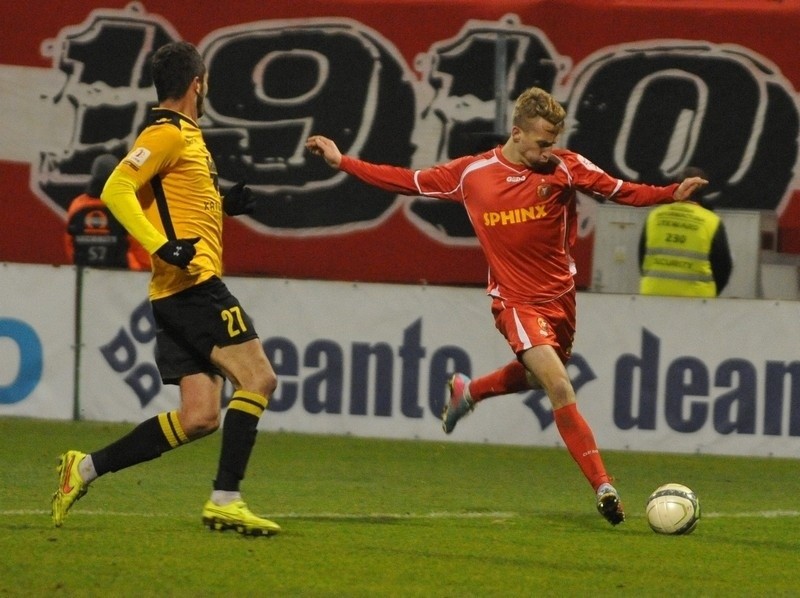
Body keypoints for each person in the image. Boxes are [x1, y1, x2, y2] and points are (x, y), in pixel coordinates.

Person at [306, 87, 708, 526]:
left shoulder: (566, 168)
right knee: (559, 387)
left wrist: (671, 193)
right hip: (514, 302)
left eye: (553, 142)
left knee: (539, 379)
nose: (547, 151)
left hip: (561, 299)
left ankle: (470, 390)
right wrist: (343, 162)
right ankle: (604, 487)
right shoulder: (473, 173)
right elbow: (407, 180)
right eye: (541, 142)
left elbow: (620, 190)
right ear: (517, 133)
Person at [51, 41, 279, 536]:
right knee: (258, 379)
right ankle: (226, 498)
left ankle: (83, 468)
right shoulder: (167, 133)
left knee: (199, 417)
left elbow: (180, 198)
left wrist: (224, 203)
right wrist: (161, 244)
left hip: (172, 294)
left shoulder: (187, 139)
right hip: (194, 285)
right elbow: (115, 188)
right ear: (198, 83)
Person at [639, 167, 733, 297]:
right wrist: (712, 293)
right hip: (697, 299)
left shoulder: (654, 216)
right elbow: (723, 267)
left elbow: (642, 258)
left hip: (653, 294)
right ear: (703, 192)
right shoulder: (711, 222)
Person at [64, 153, 149, 270]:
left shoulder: (77, 205)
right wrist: (140, 273)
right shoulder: (125, 206)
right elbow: (139, 245)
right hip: (121, 275)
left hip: (84, 275)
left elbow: (70, 244)